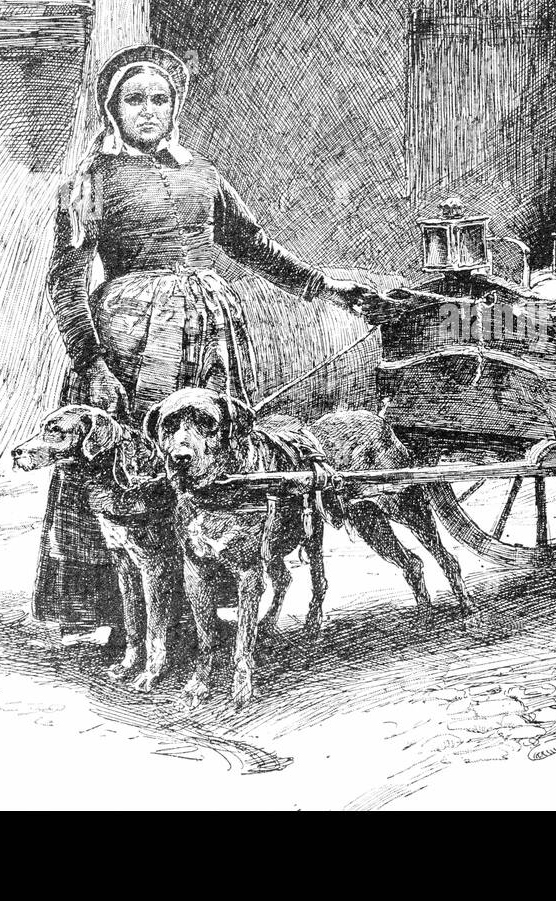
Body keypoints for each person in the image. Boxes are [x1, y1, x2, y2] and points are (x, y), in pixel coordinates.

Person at [34, 44, 394, 629]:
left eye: (160, 99)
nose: (148, 111)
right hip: (130, 341)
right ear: (112, 110)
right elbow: (67, 277)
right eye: (135, 100)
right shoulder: (89, 181)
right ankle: (138, 619)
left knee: (212, 459)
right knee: (133, 463)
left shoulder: (203, 175)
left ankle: (211, 609)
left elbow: (252, 247)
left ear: (174, 107)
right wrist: (91, 359)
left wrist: (326, 288)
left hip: (211, 337)